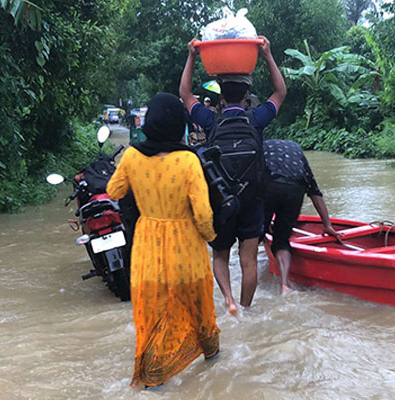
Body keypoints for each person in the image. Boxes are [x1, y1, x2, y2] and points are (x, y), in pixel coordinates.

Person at [106, 93, 220, 388]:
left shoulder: (131, 156)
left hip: (147, 248)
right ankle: (211, 355)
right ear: (179, 125)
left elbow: (114, 190)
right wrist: (211, 237)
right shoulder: (189, 160)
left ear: (150, 123)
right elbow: (203, 213)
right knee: (198, 303)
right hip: (187, 248)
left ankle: (154, 376)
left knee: (153, 309)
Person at [179, 36, 287, 315]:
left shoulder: (210, 120)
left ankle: (228, 300)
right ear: (247, 98)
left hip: (221, 199)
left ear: (222, 98)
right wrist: (267, 54)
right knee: (248, 259)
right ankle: (246, 308)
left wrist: (191, 57)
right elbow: (280, 93)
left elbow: (185, 95)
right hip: (253, 199)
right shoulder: (257, 119)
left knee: (220, 255)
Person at [263, 139, 340, 294]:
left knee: (253, 236)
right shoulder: (296, 150)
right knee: (282, 240)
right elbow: (313, 190)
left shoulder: (261, 147)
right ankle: (285, 285)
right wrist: (327, 224)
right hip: (295, 188)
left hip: (269, 185)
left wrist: (260, 227)